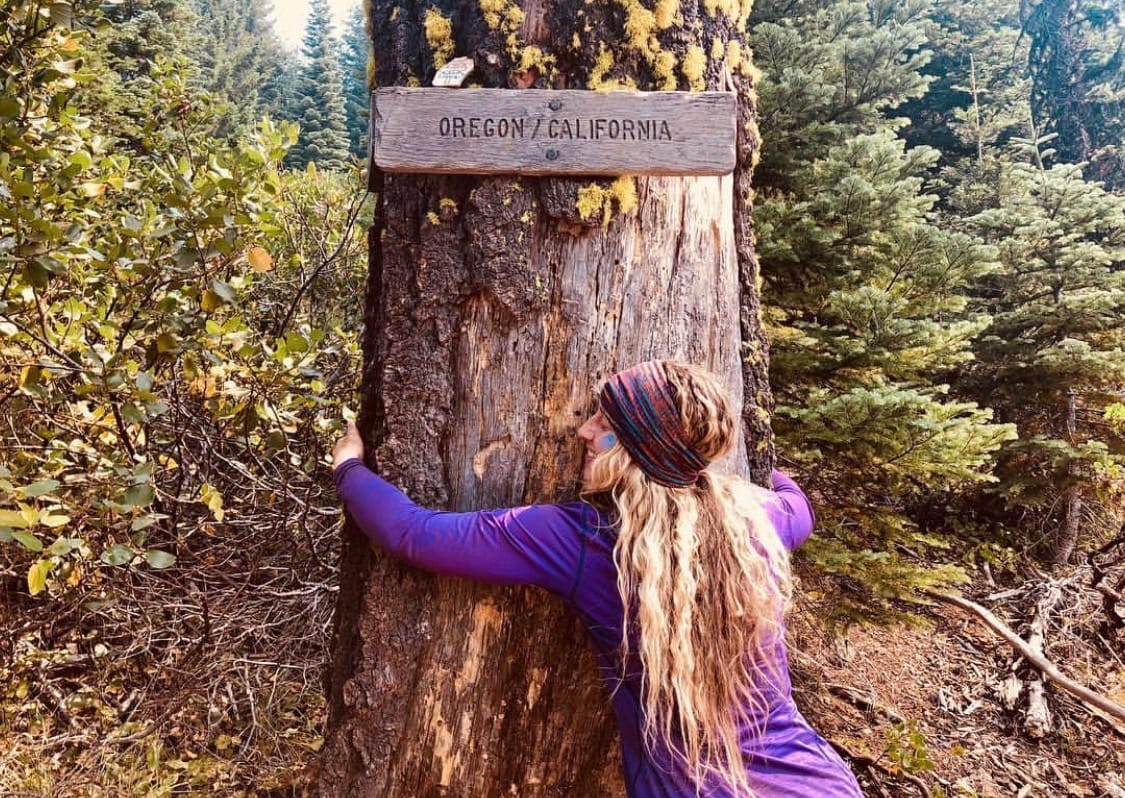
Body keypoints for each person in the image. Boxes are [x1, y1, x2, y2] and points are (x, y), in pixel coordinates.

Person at [333, 360, 862, 797]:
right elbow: (800, 508)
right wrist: (775, 478)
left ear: (639, 450)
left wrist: (349, 468)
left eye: (604, 424)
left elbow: (413, 534)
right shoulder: (757, 520)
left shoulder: (584, 540)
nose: (583, 430)